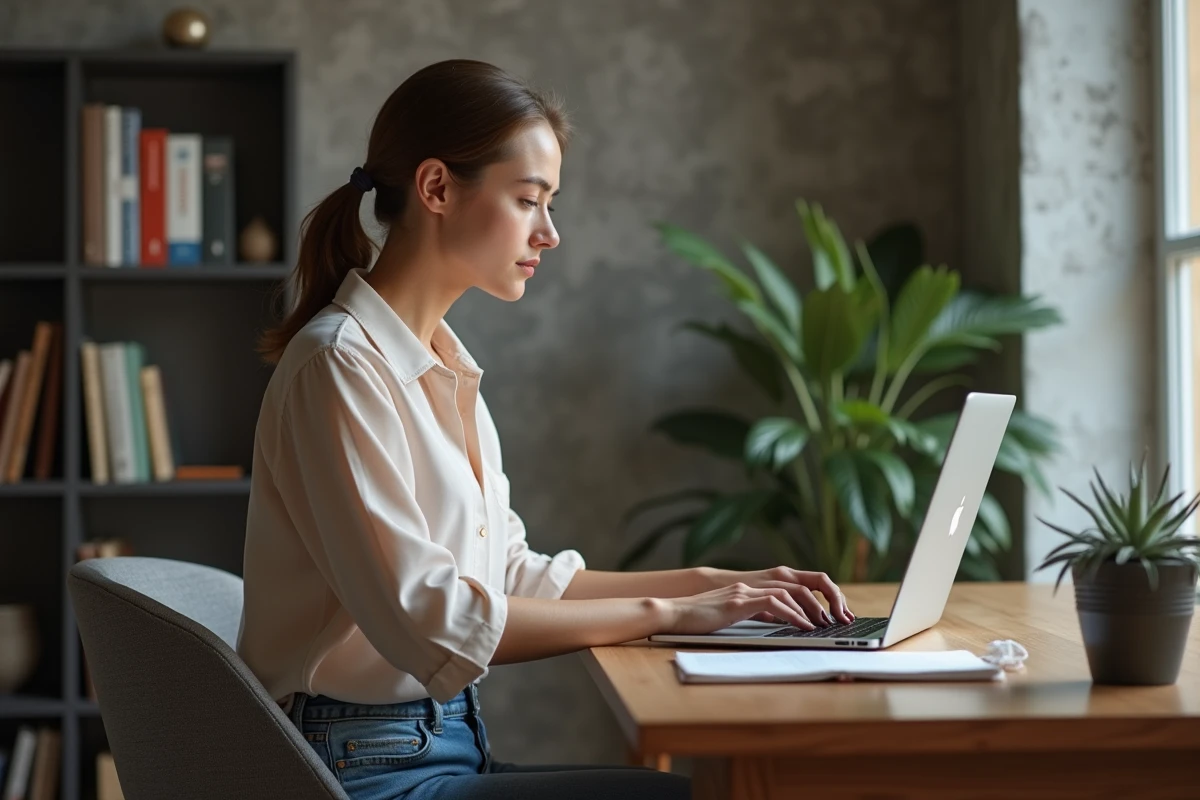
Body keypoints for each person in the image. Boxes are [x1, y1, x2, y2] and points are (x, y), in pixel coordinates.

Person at [236, 58, 853, 800]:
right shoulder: (339, 367)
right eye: (529, 200)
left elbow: (511, 576)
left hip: (430, 746)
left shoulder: (442, 366)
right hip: (355, 771)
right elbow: (430, 620)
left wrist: (720, 586)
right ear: (436, 188)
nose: (550, 233)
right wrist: (673, 614)